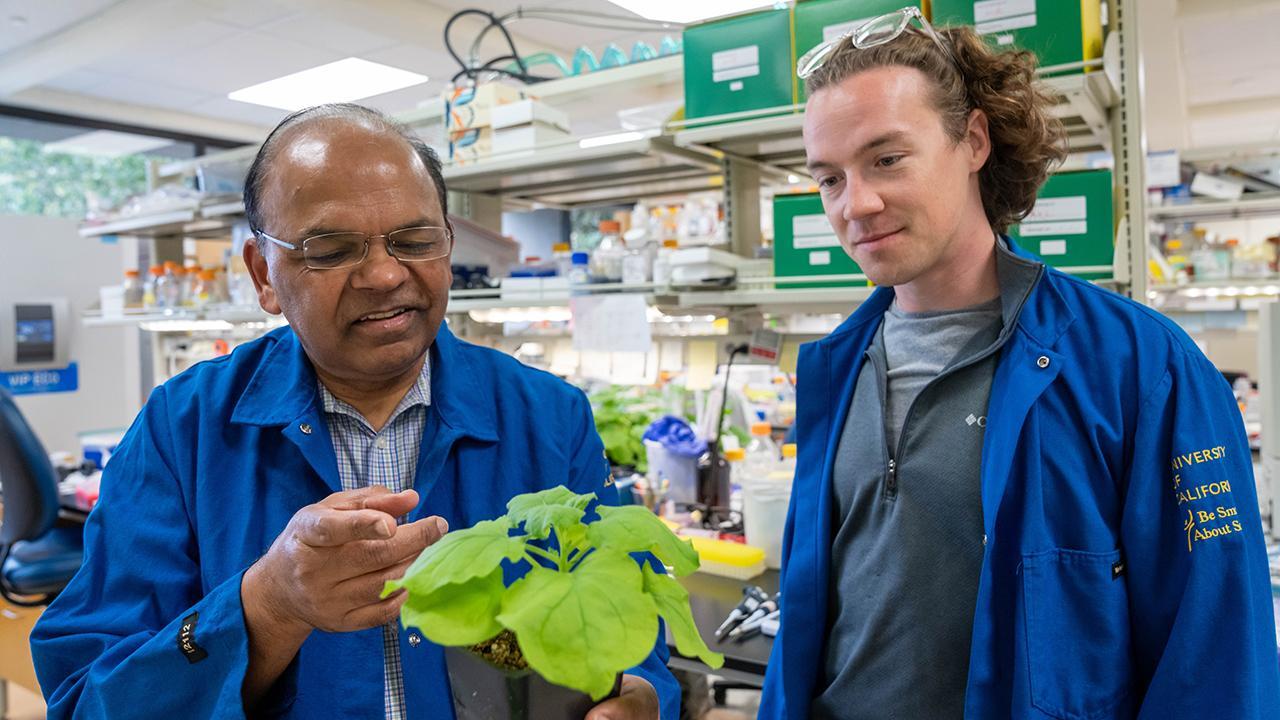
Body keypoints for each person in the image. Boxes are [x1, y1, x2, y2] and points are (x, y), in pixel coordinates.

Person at [31, 104, 675, 720]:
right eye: (331, 249)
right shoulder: (185, 428)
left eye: (415, 239)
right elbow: (88, 697)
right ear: (263, 275)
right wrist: (268, 606)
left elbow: (632, 631)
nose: (384, 275)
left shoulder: (547, 416)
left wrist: (643, 695)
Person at [760, 7, 1280, 719]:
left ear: (972, 140)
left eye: (886, 159)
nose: (858, 204)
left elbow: (1216, 659)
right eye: (829, 179)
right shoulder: (835, 368)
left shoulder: (1138, 366)